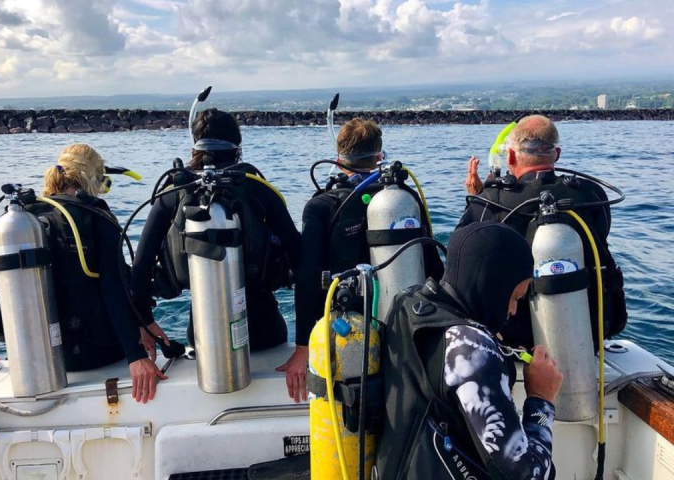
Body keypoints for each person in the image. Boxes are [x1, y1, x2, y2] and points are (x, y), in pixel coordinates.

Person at [0, 144, 167, 404]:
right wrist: (136, 356)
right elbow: (114, 289)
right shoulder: (95, 215)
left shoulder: (26, 219)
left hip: (41, 362)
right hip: (99, 355)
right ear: (93, 178)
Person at [375, 221, 563, 480]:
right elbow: (528, 475)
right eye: (514, 297)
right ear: (492, 286)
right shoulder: (471, 348)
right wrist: (542, 399)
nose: (512, 311)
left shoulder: (408, 304)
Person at [130, 108, 301, 383]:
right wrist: (304, 345)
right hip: (267, 333)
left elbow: (139, 270)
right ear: (238, 147)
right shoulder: (257, 189)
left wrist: (145, 324)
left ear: (195, 144)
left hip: (202, 340)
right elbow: (301, 260)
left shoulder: (173, 194)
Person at [289, 118, 445, 403]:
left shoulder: (321, 206)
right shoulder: (404, 198)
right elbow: (433, 265)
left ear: (338, 161)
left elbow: (308, 278)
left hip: (347, 331)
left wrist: (302, 348)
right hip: (403, 329)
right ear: (379, 157)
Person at [459, 115, 627, 349]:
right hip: (590, 329)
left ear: (510, 156)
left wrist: (477, 199)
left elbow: (460, 254)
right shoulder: (591, 194)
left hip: (518, 339)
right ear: (557, 155)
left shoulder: (491, 200)